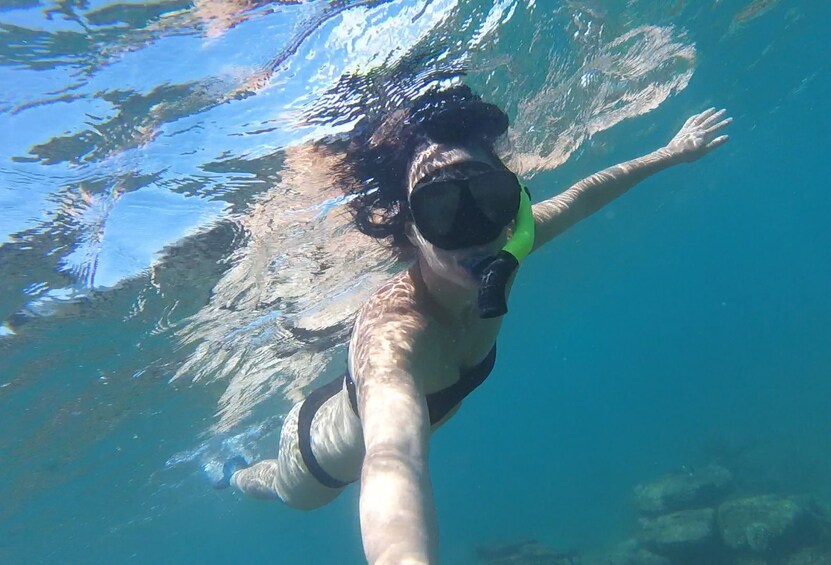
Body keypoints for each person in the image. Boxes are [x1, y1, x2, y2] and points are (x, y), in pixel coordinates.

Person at [217, 85, 731, 564]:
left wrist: (673, 151)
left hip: (354, 405)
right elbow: (395, 460)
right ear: (410, 230)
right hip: (316, 462)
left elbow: (582, 195)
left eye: (488, 200)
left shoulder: (506, 250)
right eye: (441, 209)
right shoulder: (397, 339)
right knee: (272, 485)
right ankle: (230, 473)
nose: (474, 234)